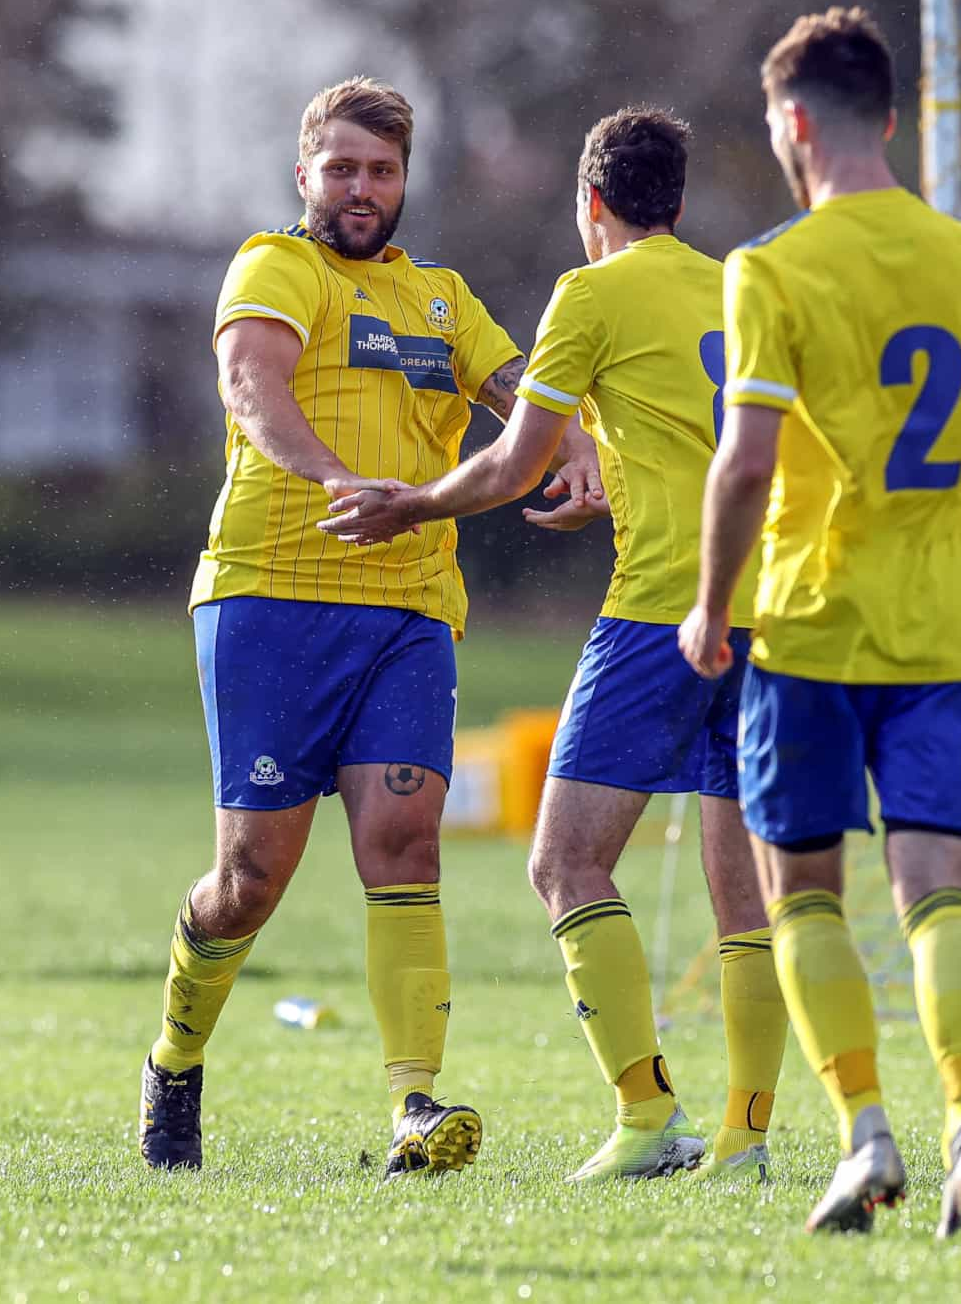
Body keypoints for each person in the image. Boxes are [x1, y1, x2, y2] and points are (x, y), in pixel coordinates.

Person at [135, 76, 602, 1177]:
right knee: (251, 879)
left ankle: (414, 1106)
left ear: (404, 181)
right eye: (339, 167)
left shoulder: (439, 297)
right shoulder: (274, 266)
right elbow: (253, 389)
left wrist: (574, 438)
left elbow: (519, 386)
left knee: (404, 842)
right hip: (270, 594)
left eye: (380, 170)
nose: (359, 187)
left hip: (408, 608)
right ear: (304, 175)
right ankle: (174, 1058)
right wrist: (342, 479)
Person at [679, 8, 961, 1238]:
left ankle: (863, 1138)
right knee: (939, 891)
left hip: (806, 626)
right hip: (946, 632)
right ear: (893, 119)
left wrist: (707, 602)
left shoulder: (773, 268)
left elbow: (744, 465)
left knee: (801, 892)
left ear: (792, 123)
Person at [324, 107, 787, 1185]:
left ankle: (643, 1117)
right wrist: (612, 487)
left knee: (564, 859)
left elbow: (513, 463)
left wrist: (414, 506)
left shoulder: (592, 291)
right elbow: (714, 436)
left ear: (590, 204)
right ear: (676, 201)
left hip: (665, 610)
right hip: (779, 612)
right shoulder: (742, 287)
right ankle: (746, 1139)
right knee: (745, 894)